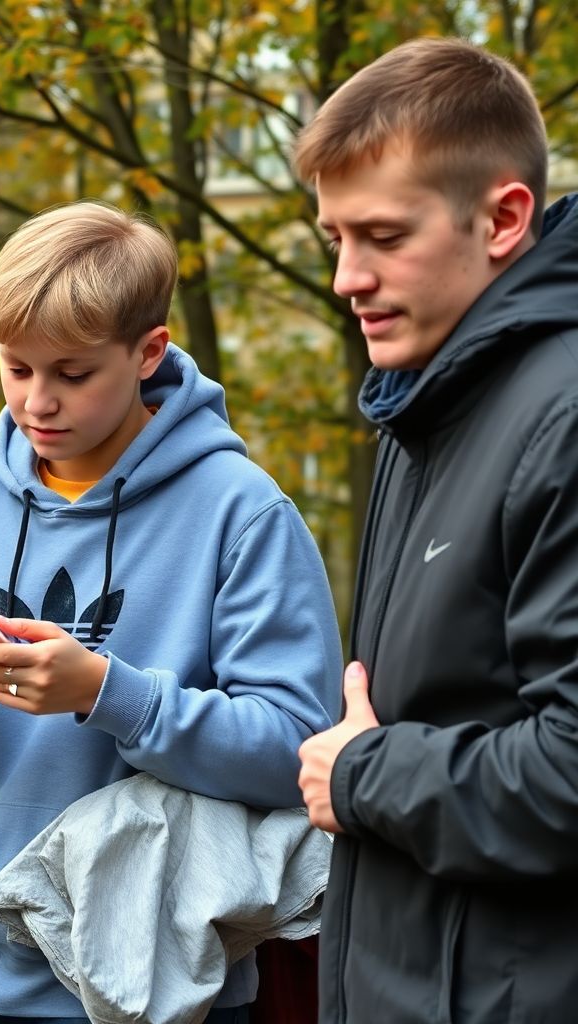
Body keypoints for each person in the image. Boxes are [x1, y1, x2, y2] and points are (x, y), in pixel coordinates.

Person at [0, 200, 343, 1023]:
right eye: (16, 367)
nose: (36, 402)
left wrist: (107, 693)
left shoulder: (242, 512)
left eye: (71, 373)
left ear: (148, 354)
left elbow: (295, 756)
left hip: (161, 972)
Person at [293, 37, 578, 1024]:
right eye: (333, 239)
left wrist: (365, 772)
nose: (346, 278)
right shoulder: (427, 408)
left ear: (501, 219)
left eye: (380, 236)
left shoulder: (561, 418)